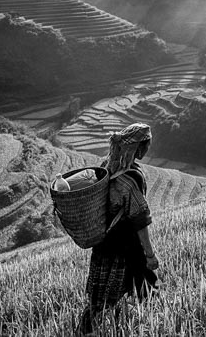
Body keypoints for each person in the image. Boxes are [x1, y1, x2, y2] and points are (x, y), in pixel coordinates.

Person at [77, 123, 160, 335]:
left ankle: (86, 330)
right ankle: (150, 327)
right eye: (147, 144)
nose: (148, 148)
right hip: (126, 245)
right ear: (139, 147)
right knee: (146, 286)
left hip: (105, 242)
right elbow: (139, 220)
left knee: (100, 297)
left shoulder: (107, 166)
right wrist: (149, 255)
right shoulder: (131, 178)